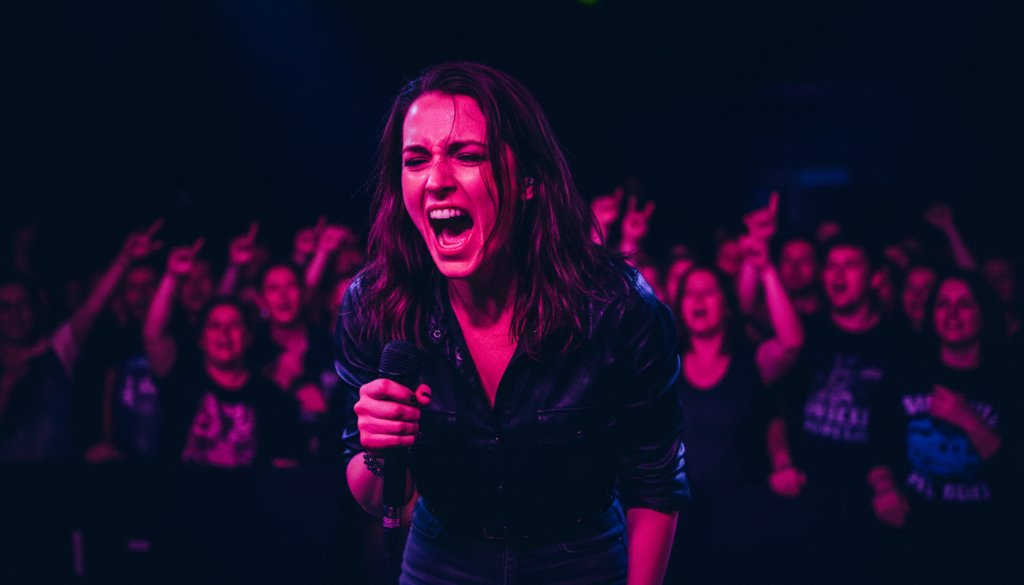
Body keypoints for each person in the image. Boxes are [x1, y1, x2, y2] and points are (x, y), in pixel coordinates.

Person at [336, 62, 688, 585]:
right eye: (416, 160)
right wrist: (379, 450)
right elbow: (381, 499)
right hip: (442, 556)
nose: (436, 181)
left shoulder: (614, 306)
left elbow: (655, 484)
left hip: (581, 557)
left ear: (528, 181)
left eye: (467, 155)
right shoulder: (377, 303)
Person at [667, 201, 803, 582]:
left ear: (726, 306)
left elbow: (791, 344)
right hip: (681, 520)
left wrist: (765, 266)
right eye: (690, 293)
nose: (698, 299)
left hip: (740, 517)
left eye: (709, 291)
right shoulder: (665, 364)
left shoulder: (750, 363)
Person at [766, 236, 909, 582]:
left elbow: (898, 427)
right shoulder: (805, 332)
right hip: (803, 492)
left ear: (875, 276)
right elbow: (774, 409)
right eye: (831, 265)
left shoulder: (898, 343)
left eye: (851, 265)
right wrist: (781, 461)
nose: (838, 275)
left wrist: (885, 481)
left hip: (867, 501)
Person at [892, 270, 1020, 582]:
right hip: (913, 540)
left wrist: (967, 420)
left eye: (964, 304)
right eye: (942, 304)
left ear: (984, 314)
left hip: (983, 546)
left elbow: (1015, 474)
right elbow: (881, 440)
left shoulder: (1010, 381)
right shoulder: (909, 371)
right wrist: (883, 483)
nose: (951, 313)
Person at [1, 222, 163, 461]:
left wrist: (125, 258)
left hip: (58, 477)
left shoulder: (55, 350)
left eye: (23, 304)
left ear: (34, 309)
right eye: (5, 307)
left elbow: (91, 308)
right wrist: (10, 378)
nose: (15, 314)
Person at [144, 240, 302, 467]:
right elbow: (153, 336)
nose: (224, 334)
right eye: (215, 326)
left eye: (234, 325)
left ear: (248, 337)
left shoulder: (271, 397)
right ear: (201, 339)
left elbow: (285, 468)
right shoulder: (180, 380)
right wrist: (171, 276)